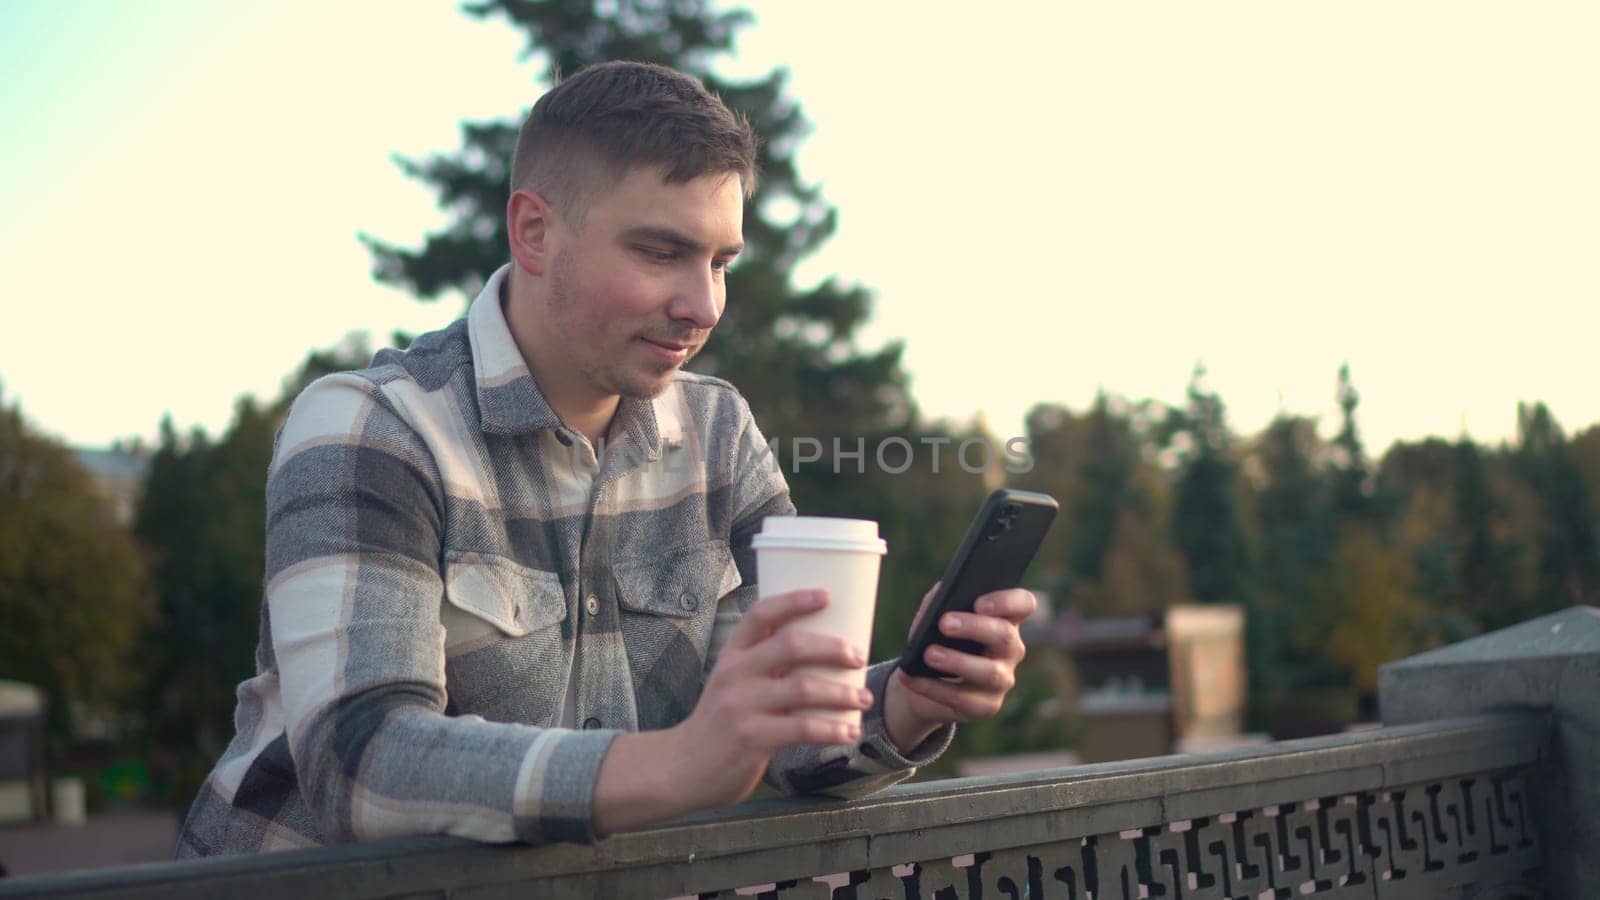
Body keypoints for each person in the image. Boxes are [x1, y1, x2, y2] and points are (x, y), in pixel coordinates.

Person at [176, 60, 1036, 857]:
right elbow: (360, 766)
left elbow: (775, 737)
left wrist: (905, 704)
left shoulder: (720, 435)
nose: (703, 305)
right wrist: (675, 764)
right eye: (661, 252)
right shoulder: (371, 426)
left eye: (721, 261)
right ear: (536, 232)